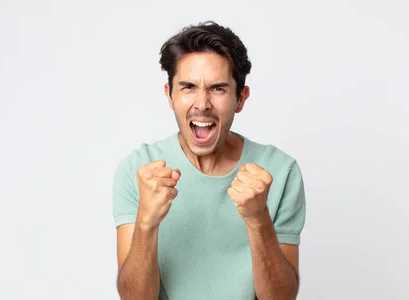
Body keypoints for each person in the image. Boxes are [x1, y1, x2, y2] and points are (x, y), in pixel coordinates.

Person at [112, 21, 306, 300]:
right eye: (188, 86)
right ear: (170, 95)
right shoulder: (138, 170)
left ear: (241, 98)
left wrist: (258, 219)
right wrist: (146, 222)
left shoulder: (280, 171)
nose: (202, 103)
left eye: (217, 88)